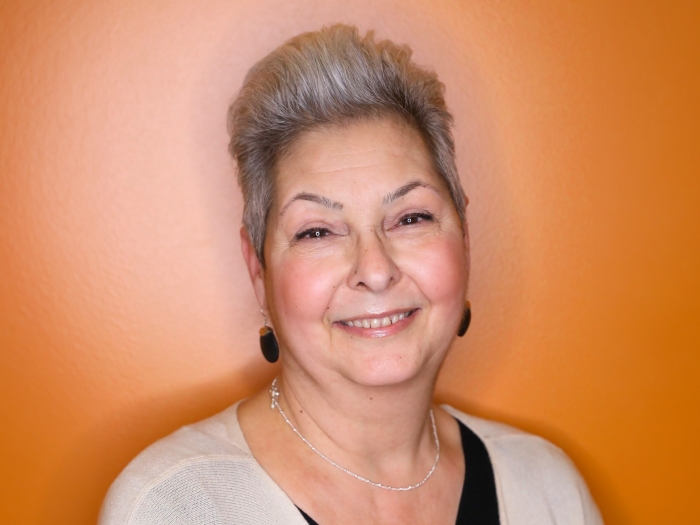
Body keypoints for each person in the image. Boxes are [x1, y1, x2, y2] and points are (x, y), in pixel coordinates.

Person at [99, 24, 603, 525]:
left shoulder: (549, 491)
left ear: (465, 239)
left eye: (411, 218)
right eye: (318, 232)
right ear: (258, 272)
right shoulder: (176, 506)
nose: (376, 271)